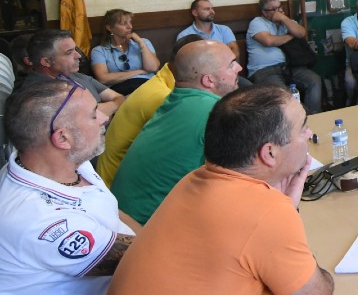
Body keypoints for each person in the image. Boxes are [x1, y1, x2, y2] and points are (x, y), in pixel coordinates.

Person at [108, 85, 334, 294]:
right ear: (269, 153)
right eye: (302, 128)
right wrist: (287, 213)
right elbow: (316, 292)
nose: (309, 133)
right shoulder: (265, 212)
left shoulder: (193, 179)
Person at [0, 80, 137, 293]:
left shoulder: (64, 161)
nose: (104, 118)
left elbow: (114, 212)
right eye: (93, 115)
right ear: (63, 138)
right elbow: (140, 260)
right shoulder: (39, 219)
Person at [109, 40, 243, 225]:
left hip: (121, 218)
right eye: (231, 65)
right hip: (146, 230)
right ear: (208, 80)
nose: (239, 68)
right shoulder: (214, 113)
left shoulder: (175, 100)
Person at [96, 35, 204, 187]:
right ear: (195, 67)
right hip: (118, 186)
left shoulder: (163, 80)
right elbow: (182, 157)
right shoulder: (164, 97)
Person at [246, 0, 322, 114]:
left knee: (314, 80)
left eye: (280, 7)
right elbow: (268, 41)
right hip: (264, 70)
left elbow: (301, 33)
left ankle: (315, 116)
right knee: (283, 95)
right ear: (264, 12)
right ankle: (304, 117)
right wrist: (290, 36)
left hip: (289, 67)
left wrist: (283, 18)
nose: (280, 11)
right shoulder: (257, 22)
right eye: (274, 9)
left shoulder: (286, 22)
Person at [25, 29, 126, 118]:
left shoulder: (75, 75)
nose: (78, 55)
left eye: (75, 49)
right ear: (46, 62)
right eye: (69, 52)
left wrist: (107, 107)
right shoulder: (36, 96)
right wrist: (103, 110)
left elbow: (120, 98)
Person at [89, 9, 160, 95]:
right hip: (120, 91)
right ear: (110, 28)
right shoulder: (99, 51)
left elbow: (153, 68)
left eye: (130, 22)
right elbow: (103, 79)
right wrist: (140, 71)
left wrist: (140, 43)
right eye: (124, 23)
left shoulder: (144, 42)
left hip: (147, 85)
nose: (130, 27)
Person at [176, 0, 241, 57]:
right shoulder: (184, 35)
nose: (212, 12)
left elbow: (235, 52)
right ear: (195, 13)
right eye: (207, 9)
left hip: (225, 66)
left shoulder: (224, 29)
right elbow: (185, 59)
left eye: (212, 8)